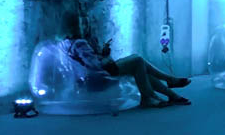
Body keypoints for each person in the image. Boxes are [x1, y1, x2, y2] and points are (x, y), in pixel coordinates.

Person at [61, 11, 190, 109]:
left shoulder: (71, 42)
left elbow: (89, 60)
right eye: (82, 23)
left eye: (87, 22)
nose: (86, 26)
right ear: (74, 26)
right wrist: (104, 57)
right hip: (97, 76)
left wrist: (102, 53)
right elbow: (95, 65)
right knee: (138, 61)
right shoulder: (79, 43)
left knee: (138, 63)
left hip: (98, 72)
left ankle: (171, 94)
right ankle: (155, 92)